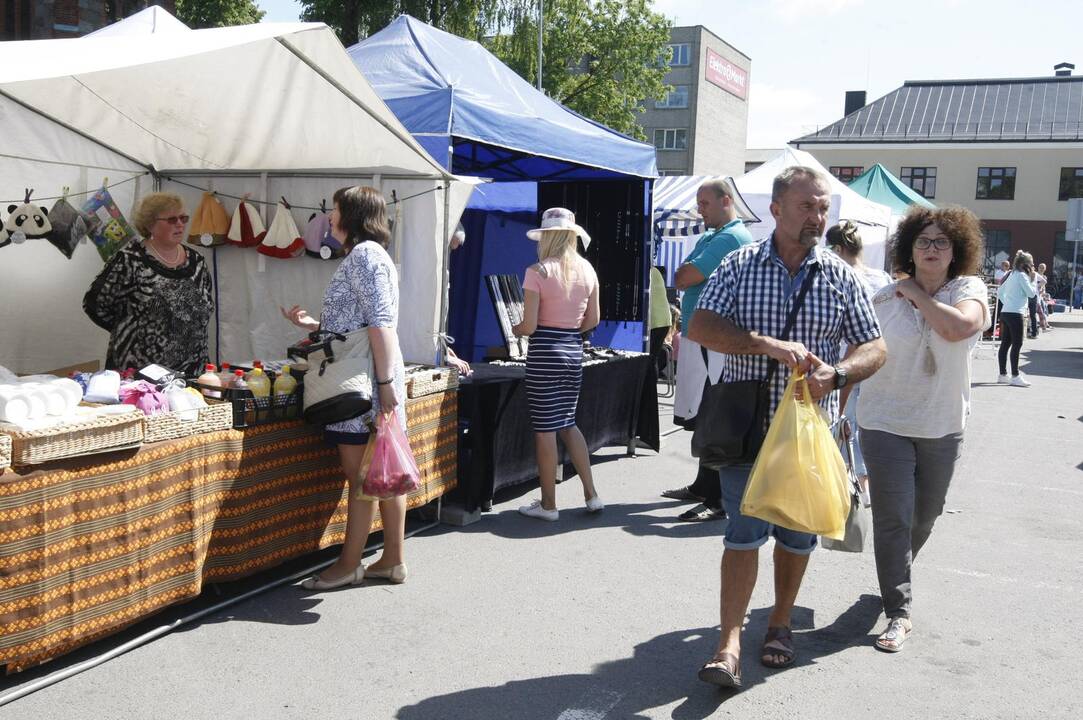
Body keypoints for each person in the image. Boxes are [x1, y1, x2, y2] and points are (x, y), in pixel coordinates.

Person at [690, 167, 886, 688]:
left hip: (808, 433)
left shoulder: (840, 275)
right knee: (743, 533)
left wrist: (838, 372)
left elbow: (875, 346)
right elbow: (700, 327)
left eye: (823, 209)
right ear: (777, 209)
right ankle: (728, 641)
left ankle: (779, 623)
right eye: (808, 208)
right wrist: (766, 345)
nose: (818, 219)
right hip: (746, 427)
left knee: (797, 537)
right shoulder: (738, 264)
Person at [856, 205, 989, 652]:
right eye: (923, 241)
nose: (931, 249)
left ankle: (896, 572)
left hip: (942, 421)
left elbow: (961, 328)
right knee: (892, 518)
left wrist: (917, 294)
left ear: (956, 251)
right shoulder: (883, 298)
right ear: (909, 249)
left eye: (941, 242)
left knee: (925, 514)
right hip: (883, 420)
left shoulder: (968, 289)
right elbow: (860, 351)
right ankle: (899, 610)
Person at [282, 186, 410, 589]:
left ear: (351, 216)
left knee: (361, 477)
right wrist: (313, 326)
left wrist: (386, 384)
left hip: (364, 381)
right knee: (381, 471)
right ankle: (391, 560)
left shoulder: (365, 255)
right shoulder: (367, 256)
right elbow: (361, 322)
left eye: (335, 211)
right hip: (371, 375)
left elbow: (380, 324)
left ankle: (349, 564)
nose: (330, 218)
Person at [666, 179, 755, 522]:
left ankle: (718, 498)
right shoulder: (712, 236)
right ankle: (704, 486)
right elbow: (681, 275)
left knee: (715, 415)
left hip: (714, 339)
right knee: (704, 414)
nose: (699, 209)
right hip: (701, 335)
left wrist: (689, 273)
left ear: (726, 201)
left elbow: (685, 276)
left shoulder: (731, 237)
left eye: (704, 202)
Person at [511, 208, 602, 521]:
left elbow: (530, 325)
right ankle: (591, 494)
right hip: (573, 351)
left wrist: (515, 328)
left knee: (545, 430)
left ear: (546, 236)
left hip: (544, 353)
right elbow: (593, 319)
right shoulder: (588, 270)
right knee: (567, 422)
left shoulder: (537, 271)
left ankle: (549, 504)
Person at [83, 192, 213, 376]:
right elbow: (95, 305)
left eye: (183, 218)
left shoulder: (197, 261)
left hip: (193, 371)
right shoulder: (129, 260)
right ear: (150, 224)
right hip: (140, 374)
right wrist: (131, 328)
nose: (180, 224)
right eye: (171, 219)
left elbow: (207, 306)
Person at [825, 220, 892, 496]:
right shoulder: (882, 278)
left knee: (841, 425)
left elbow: (851, 336)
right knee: (867, 428)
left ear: (838, 248)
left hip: (847, 362)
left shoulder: (838, 276)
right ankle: (863, 484)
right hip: (878, 362)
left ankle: (849, 486)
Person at [996, 250, 1037, 387]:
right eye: (1031, 263)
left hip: (1006, 312)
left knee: (1005, 344)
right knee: (1017, 344)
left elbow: (1000, 292)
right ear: (1025, 264)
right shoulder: (1023, 276)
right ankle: (1015, 375)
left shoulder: (1011, 274)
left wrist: (1008, 301)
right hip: (1015, 313)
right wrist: (1033, 278)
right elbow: (1031, 294)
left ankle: (1002, 374)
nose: (1033, 266)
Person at [648, 265, 671, 378]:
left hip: (656, 321)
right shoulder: (655, 271)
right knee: (653, 358)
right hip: (663, 320)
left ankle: (650, 390)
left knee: (650, 359)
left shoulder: (649, 272)